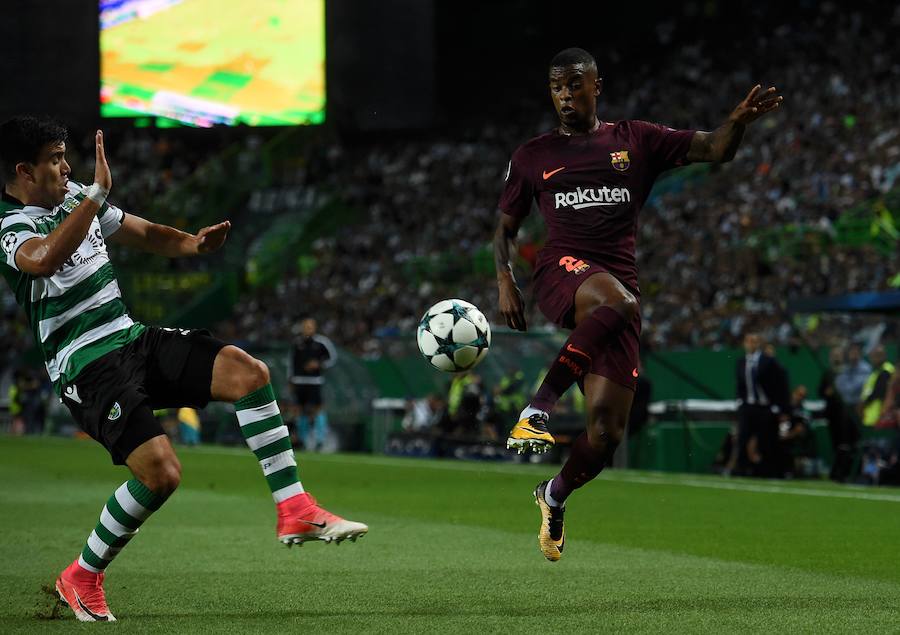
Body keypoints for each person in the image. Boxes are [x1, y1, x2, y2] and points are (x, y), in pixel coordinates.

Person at [0, 117, 367, 622]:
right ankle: (82, 575)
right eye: (56, 159)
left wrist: (193, 244)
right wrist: (92, 198)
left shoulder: (77, 197)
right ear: (24, 170)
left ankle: (295, 509)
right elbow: (40, 262)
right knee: (162, 473)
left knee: (248, 371)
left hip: (130, 337)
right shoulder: (12, 226)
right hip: (85, 367)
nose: (67, 167)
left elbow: (144, 232)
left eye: (66, 156)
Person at [493, 47, 782, 560]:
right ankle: (536, 409)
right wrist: (505, 279)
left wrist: (736, 122)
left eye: (574, 84)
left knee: (605, 434)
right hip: (562, 274)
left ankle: (553, 494)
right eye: (556, 86)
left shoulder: (635, 140)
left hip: (617, 292)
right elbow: (506, 227)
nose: (564, 95)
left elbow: (716, 149)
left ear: (595, 86)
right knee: (617, 301)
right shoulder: (532, 154)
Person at [733, 334, 790, 477]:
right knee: (743, 438)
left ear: (758, 343)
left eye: (754, 341)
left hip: (765, 407)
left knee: (766, 440)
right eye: (748, 341)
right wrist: (740, 401)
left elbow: (780, 384)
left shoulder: (768, 361)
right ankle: (743, 470)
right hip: (748, 406)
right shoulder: (741, 362)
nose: (751, 344)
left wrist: (778, 406)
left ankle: (766, 471)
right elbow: (741, 385)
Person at [289, 317, 338, 450]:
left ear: (315, 327)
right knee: (299, 411)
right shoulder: (297, 343)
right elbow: (291, 363)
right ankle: (303, 440)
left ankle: (320, 439)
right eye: (305, 326)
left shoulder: (321, 342)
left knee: (317, 409)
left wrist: (319, 364)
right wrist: (291, 379)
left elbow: (332, 358)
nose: (308, 328)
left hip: (314, 381)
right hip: (299, 381)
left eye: (310, 326)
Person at [819, 347, 857, 481]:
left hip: (846, 413)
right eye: (834, 355)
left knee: (846, 442)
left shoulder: (847, 372)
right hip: (832, 413)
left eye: (838, 355)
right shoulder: (828, 372)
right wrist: (827, 392)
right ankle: (836, 470)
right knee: (836, 443)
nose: (836, 358)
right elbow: (821, 391)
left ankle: (844, 471)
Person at [860, 345, 894, 427]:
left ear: (885, 356)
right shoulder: (876, 372)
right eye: (874, 356)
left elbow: (880, 393)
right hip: (871, 416)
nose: (876, 358)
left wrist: (864, 403)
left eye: (879, 355)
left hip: (879, 417)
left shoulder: (886, 372)